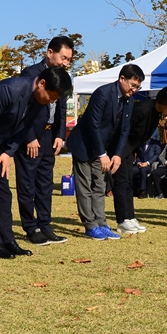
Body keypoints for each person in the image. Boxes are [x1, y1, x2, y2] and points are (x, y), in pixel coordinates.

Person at [0, 68, 72, 259]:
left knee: (2, 192)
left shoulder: (39, 100)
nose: (52, 102)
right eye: (51, 96)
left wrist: (8, 152)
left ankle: (7, 239)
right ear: (42, 83)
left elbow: (25, 126)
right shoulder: (9, 89)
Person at [66, 64, 143, 239]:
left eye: (137, 87)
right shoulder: (102, 93)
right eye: (132, 85)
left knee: (100, 185)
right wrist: (102, 155)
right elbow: (93, 125)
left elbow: (124, 130)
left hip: (104, 148)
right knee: (85, 186)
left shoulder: (129, 100)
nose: (134, 89)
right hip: (84, 145)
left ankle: (102, 222)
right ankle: (90, 225)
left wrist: (116, 155)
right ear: (122, 79)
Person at [15, 36, 74, 245]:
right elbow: (23, 111)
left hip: (50, 137)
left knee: (45, 183)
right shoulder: (30, 74)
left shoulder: (64, 77)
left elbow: (62, 107)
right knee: (27, 183)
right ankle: (30, 227)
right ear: (50, 53)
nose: (65, 63)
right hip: (30, 137)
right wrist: (29, 137)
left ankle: (45, 225)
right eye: (63, 57)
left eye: (69, 60)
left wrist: (60, 134)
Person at [111, 85, 167, 235]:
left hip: (130, 150)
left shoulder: (157, 114)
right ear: (164, 101)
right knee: (121, 183)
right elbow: (123, 130)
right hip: (119, 149)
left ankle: (130, 217)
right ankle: (122, 220)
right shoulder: (141, 109)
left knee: (129, 183)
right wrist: (118, 153)